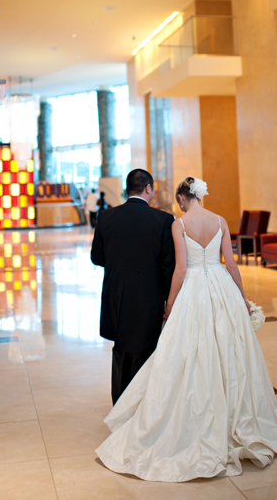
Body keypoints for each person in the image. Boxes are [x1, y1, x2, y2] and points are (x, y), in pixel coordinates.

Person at [96, 176, 277, 482]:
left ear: (181, 198)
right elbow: (231, 264)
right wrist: (242, 298)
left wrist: (170, 304)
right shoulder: (219, 220)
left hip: (193, 288)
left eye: (178, 200)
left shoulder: (179, 224)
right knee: (228, 348)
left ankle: (196, 415)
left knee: (190, 350)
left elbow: (180, 269)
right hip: (221, 286)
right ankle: (237, 414)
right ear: (200, 195)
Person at [91, 169, 175, 404]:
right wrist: (169, 300)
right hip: (150, 295)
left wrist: (121, 266)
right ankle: (142, 404)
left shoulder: (106, 217)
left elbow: (97, 257)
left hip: (117, 294)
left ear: (127, 189)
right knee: (146, 349)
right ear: (148, 188)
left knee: (121, 348)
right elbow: (168, 266)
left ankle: (119, 404)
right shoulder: (163, 220)